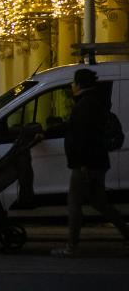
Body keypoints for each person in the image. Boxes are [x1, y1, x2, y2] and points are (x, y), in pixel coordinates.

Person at [53, 68, 129, 256]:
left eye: (73, 83)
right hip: (97, 162)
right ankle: (127, 234)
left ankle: (72, 246)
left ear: (79, 85)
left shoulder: (84, 106)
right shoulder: (95, 103)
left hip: (85, 165)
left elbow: (83, 138)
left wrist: (82, 164)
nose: (71, 86)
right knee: (100, 203)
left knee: (74, 203)